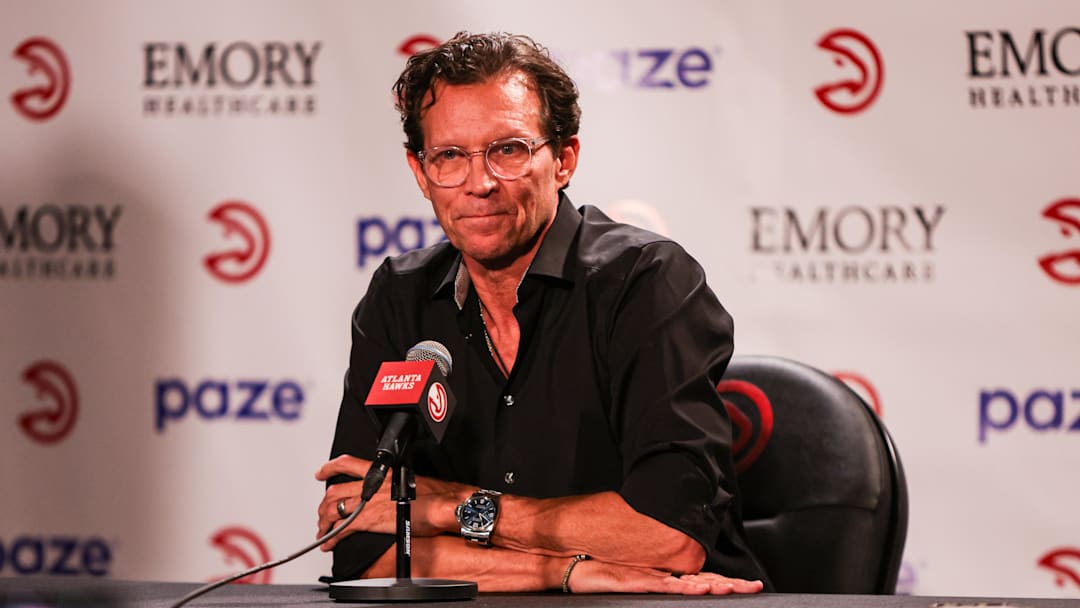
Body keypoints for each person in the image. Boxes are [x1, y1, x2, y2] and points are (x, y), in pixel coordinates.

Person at [315, 31, 770, 595]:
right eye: (450, 156)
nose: (478, 184)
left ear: (564, 160)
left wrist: (441, 507)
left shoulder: (646, 283)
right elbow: (359, 544)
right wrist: (567, 571)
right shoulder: (399, 297)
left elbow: (668, 536)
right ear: (420, 171)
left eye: (508, 150)